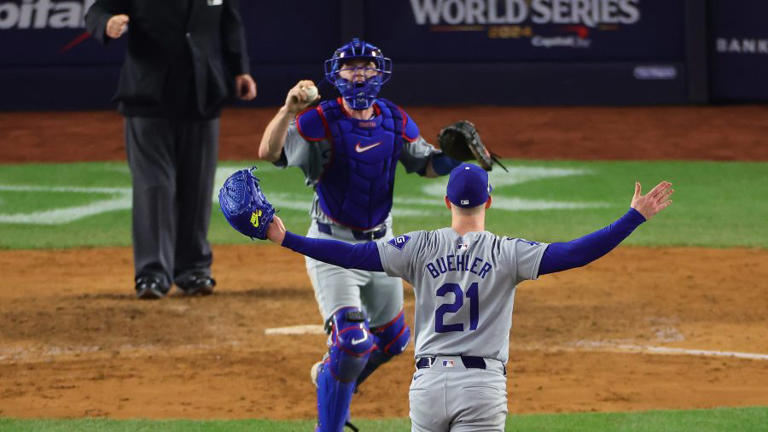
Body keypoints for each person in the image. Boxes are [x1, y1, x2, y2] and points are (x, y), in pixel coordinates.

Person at [264, 163, 674, 431]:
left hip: (426, 385)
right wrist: (633, 217)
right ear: (488, 201)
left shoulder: (418, 246)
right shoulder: (509, 252)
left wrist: (287, 239)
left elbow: (350, 254)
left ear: (447, 203)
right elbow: (577, 253)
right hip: (480, 387)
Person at [257, 38, 465, 431]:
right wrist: (288, 110)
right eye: (351, 68)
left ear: (379, 72)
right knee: (351, 343)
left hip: (383, 246)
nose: (360, 74)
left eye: (366, 67)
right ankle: (330, 424)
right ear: (337, 76)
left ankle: (329, 381)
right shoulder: (318, 120)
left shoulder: (394, 120)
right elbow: (270, 152)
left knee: (392, 342)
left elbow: (426, 166)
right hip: (332, 245)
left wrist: (457, 155)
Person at [85, 0, 256, 299]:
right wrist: (107, 24)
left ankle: (194, 269)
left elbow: (230, 24)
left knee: (198, 186)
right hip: (148, 94)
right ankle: (152, 274)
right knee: (155, 186)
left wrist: (240, 70)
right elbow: (97, 11)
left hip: (202, 94)